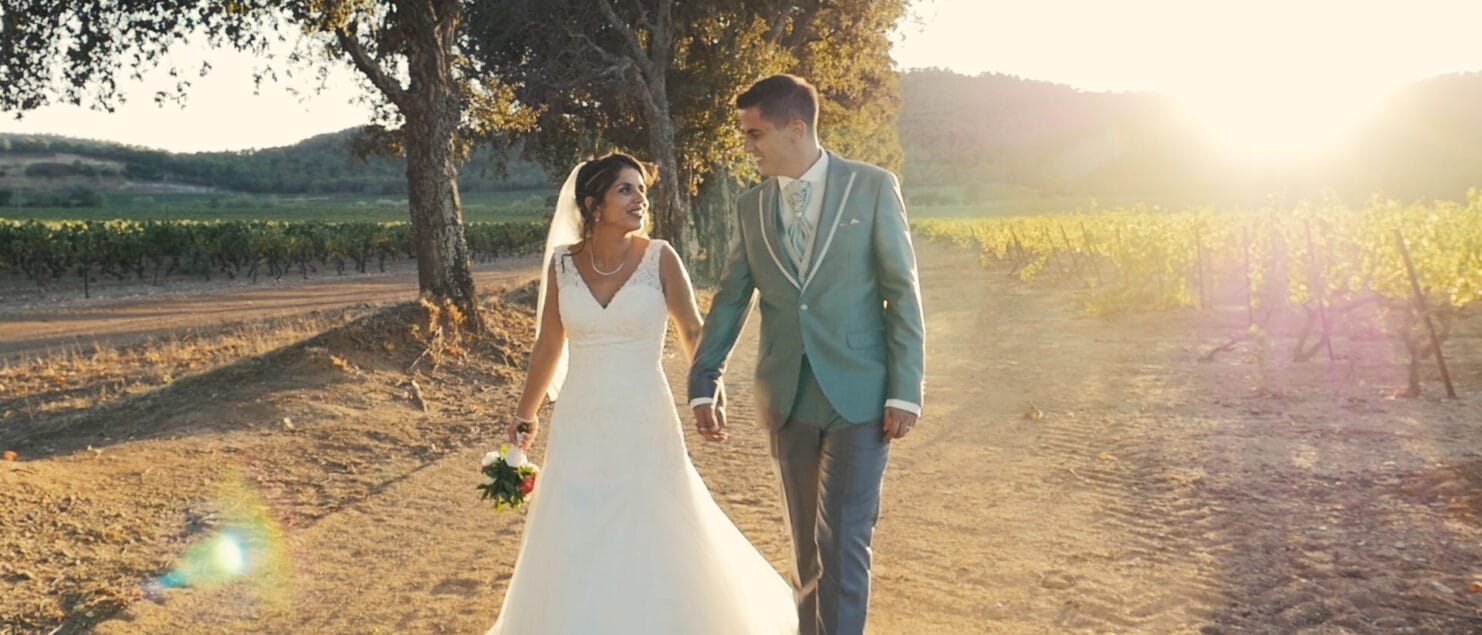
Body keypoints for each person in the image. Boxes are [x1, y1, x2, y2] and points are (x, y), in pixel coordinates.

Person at [485, 152, 797, 634]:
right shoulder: (562, 265)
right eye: (625, 190)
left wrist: (707, 389)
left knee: (653, 522)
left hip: (643, 415)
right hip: (580, 421)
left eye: (642, 192)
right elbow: (549, 343)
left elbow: (693, 330)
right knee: (576, 527)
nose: (639, 201)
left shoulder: (660, 257)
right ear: (593, 204)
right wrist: (525, 415)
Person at [688, 74, 926, 635]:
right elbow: (731, 296)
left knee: (843, 539)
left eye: (755, 134)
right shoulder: (751, 207)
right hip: (786, 396)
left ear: (795, 129)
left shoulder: (870, 187)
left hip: (861, 394)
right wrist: (705, 376)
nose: (748, 147)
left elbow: (903, 290)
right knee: (805, 551)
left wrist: (905, 389)